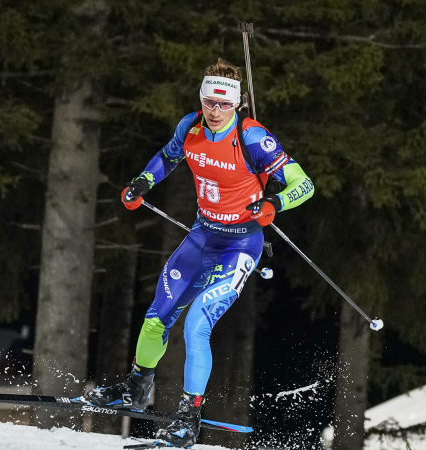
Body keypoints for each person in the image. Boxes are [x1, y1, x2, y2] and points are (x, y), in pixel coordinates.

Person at [84, 58, 314, 448]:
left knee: (196, 325)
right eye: (210, 102)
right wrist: (142, 181)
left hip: (240, 245)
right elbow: (168, 156)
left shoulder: (253, 137)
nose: (215, 111)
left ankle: (189, 418)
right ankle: (138, 386)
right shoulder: (190, 125)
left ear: (237, 104)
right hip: (201, 237)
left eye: (224, 105)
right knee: (157, 315)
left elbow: (303, 183)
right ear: (202, 98)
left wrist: (274, 202)